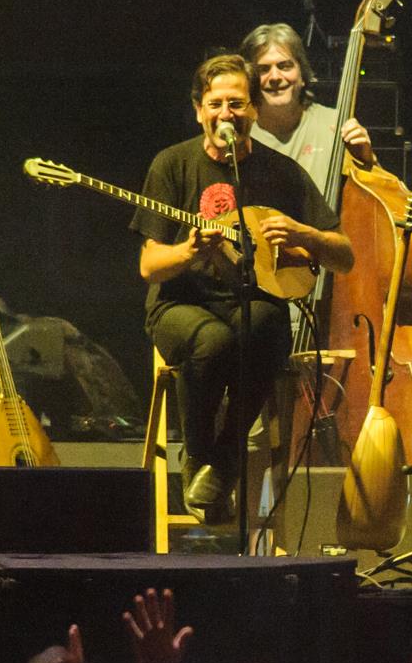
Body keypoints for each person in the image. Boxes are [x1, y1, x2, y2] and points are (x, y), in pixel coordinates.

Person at [134, 53, 354, 518]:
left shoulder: (281, 172)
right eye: (215, 104)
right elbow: (150, 267)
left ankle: (223, 461)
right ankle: (200, 458)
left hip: (250, 303)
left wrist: (303, 234)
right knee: (214, 342)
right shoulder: (172, 164)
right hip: (179, 304)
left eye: (236, 103)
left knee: (268, 324)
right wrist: (187, 252)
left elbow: (344, 256)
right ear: (199, 109)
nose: (225, 114)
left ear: (254, 109)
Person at [239, 22, 376, 181]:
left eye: (285, 66)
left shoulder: (336, 125)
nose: (275, 77)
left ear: (302, 75)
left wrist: (368, 159)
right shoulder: (240, 131)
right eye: (263, 69)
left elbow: (378, 188)